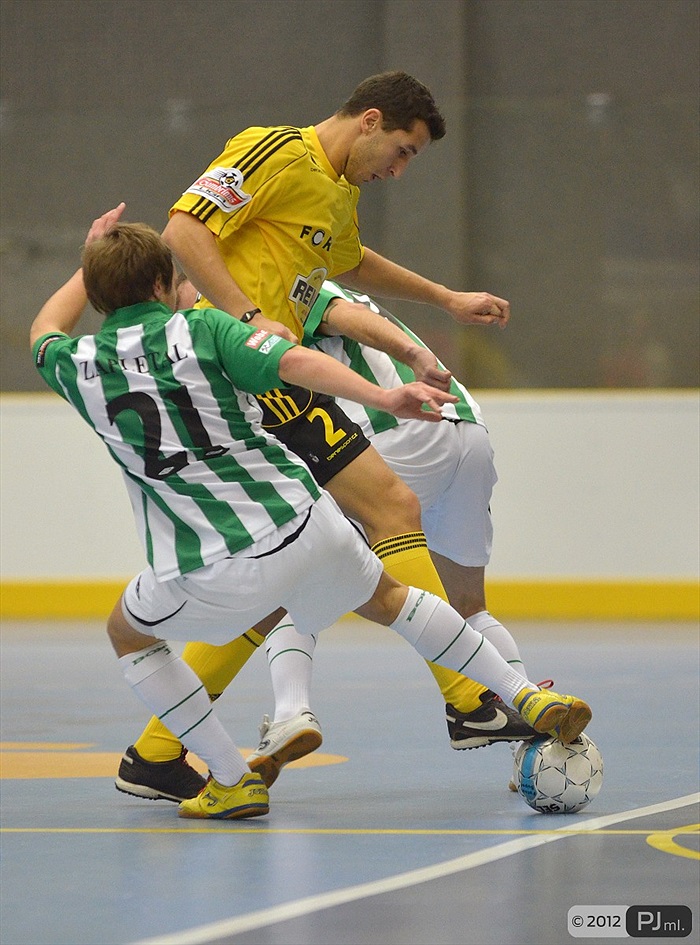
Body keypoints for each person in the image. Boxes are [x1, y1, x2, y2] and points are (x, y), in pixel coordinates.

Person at [30, 207, 591, 820]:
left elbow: (44, 327)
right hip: (303, 519)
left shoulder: (72, 363)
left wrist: (93, 256)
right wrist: (385, 395)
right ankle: (516, 695)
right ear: (166, 283)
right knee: (395, 600)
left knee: (128, 633)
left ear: (98, 293)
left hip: (205, 561)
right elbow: (293, 362)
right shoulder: (205, 329)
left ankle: (230, 775)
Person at [114, 71, 524, 801]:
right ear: (369, 121)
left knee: (311, 561)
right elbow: (183, 229)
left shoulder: (338, 192)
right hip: (241, 376)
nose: (398, 169)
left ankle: (153, 753)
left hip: (278, 383)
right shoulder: (273, 150)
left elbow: (349, 262)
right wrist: (242, 316)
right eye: (401, 151)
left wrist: (445, 297)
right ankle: (469, 699)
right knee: (383, 512)